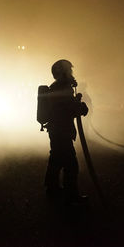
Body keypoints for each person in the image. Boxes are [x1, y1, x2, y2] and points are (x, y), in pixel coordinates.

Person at [44, 59, 89, 205]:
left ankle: (52, 188)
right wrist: (80, 108)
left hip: (57, 131)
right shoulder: (61, 88)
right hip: (61, 132)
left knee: (56, 160)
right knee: (71, 165)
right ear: (63, 73)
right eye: (69, 70)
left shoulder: (59, 87)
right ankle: (71, 197)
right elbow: (65, 110)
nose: (71, 73)